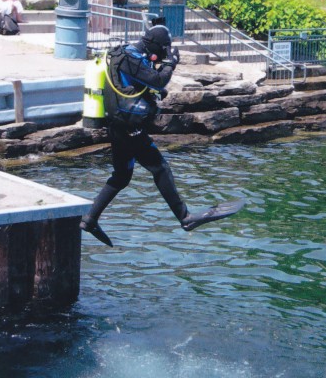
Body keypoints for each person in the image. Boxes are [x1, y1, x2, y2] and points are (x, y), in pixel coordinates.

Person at [80, 25, 244, 247]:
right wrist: (170, 64)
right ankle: (185, 218)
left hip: (118, 125)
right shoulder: (131, 58)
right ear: (155, 45)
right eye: (165, 48)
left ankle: (89, 219)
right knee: (160, 168)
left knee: (121, 177)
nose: (167, 52)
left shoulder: (129, 53)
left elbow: (143, 83)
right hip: (129, 128)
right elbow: (158, 80)